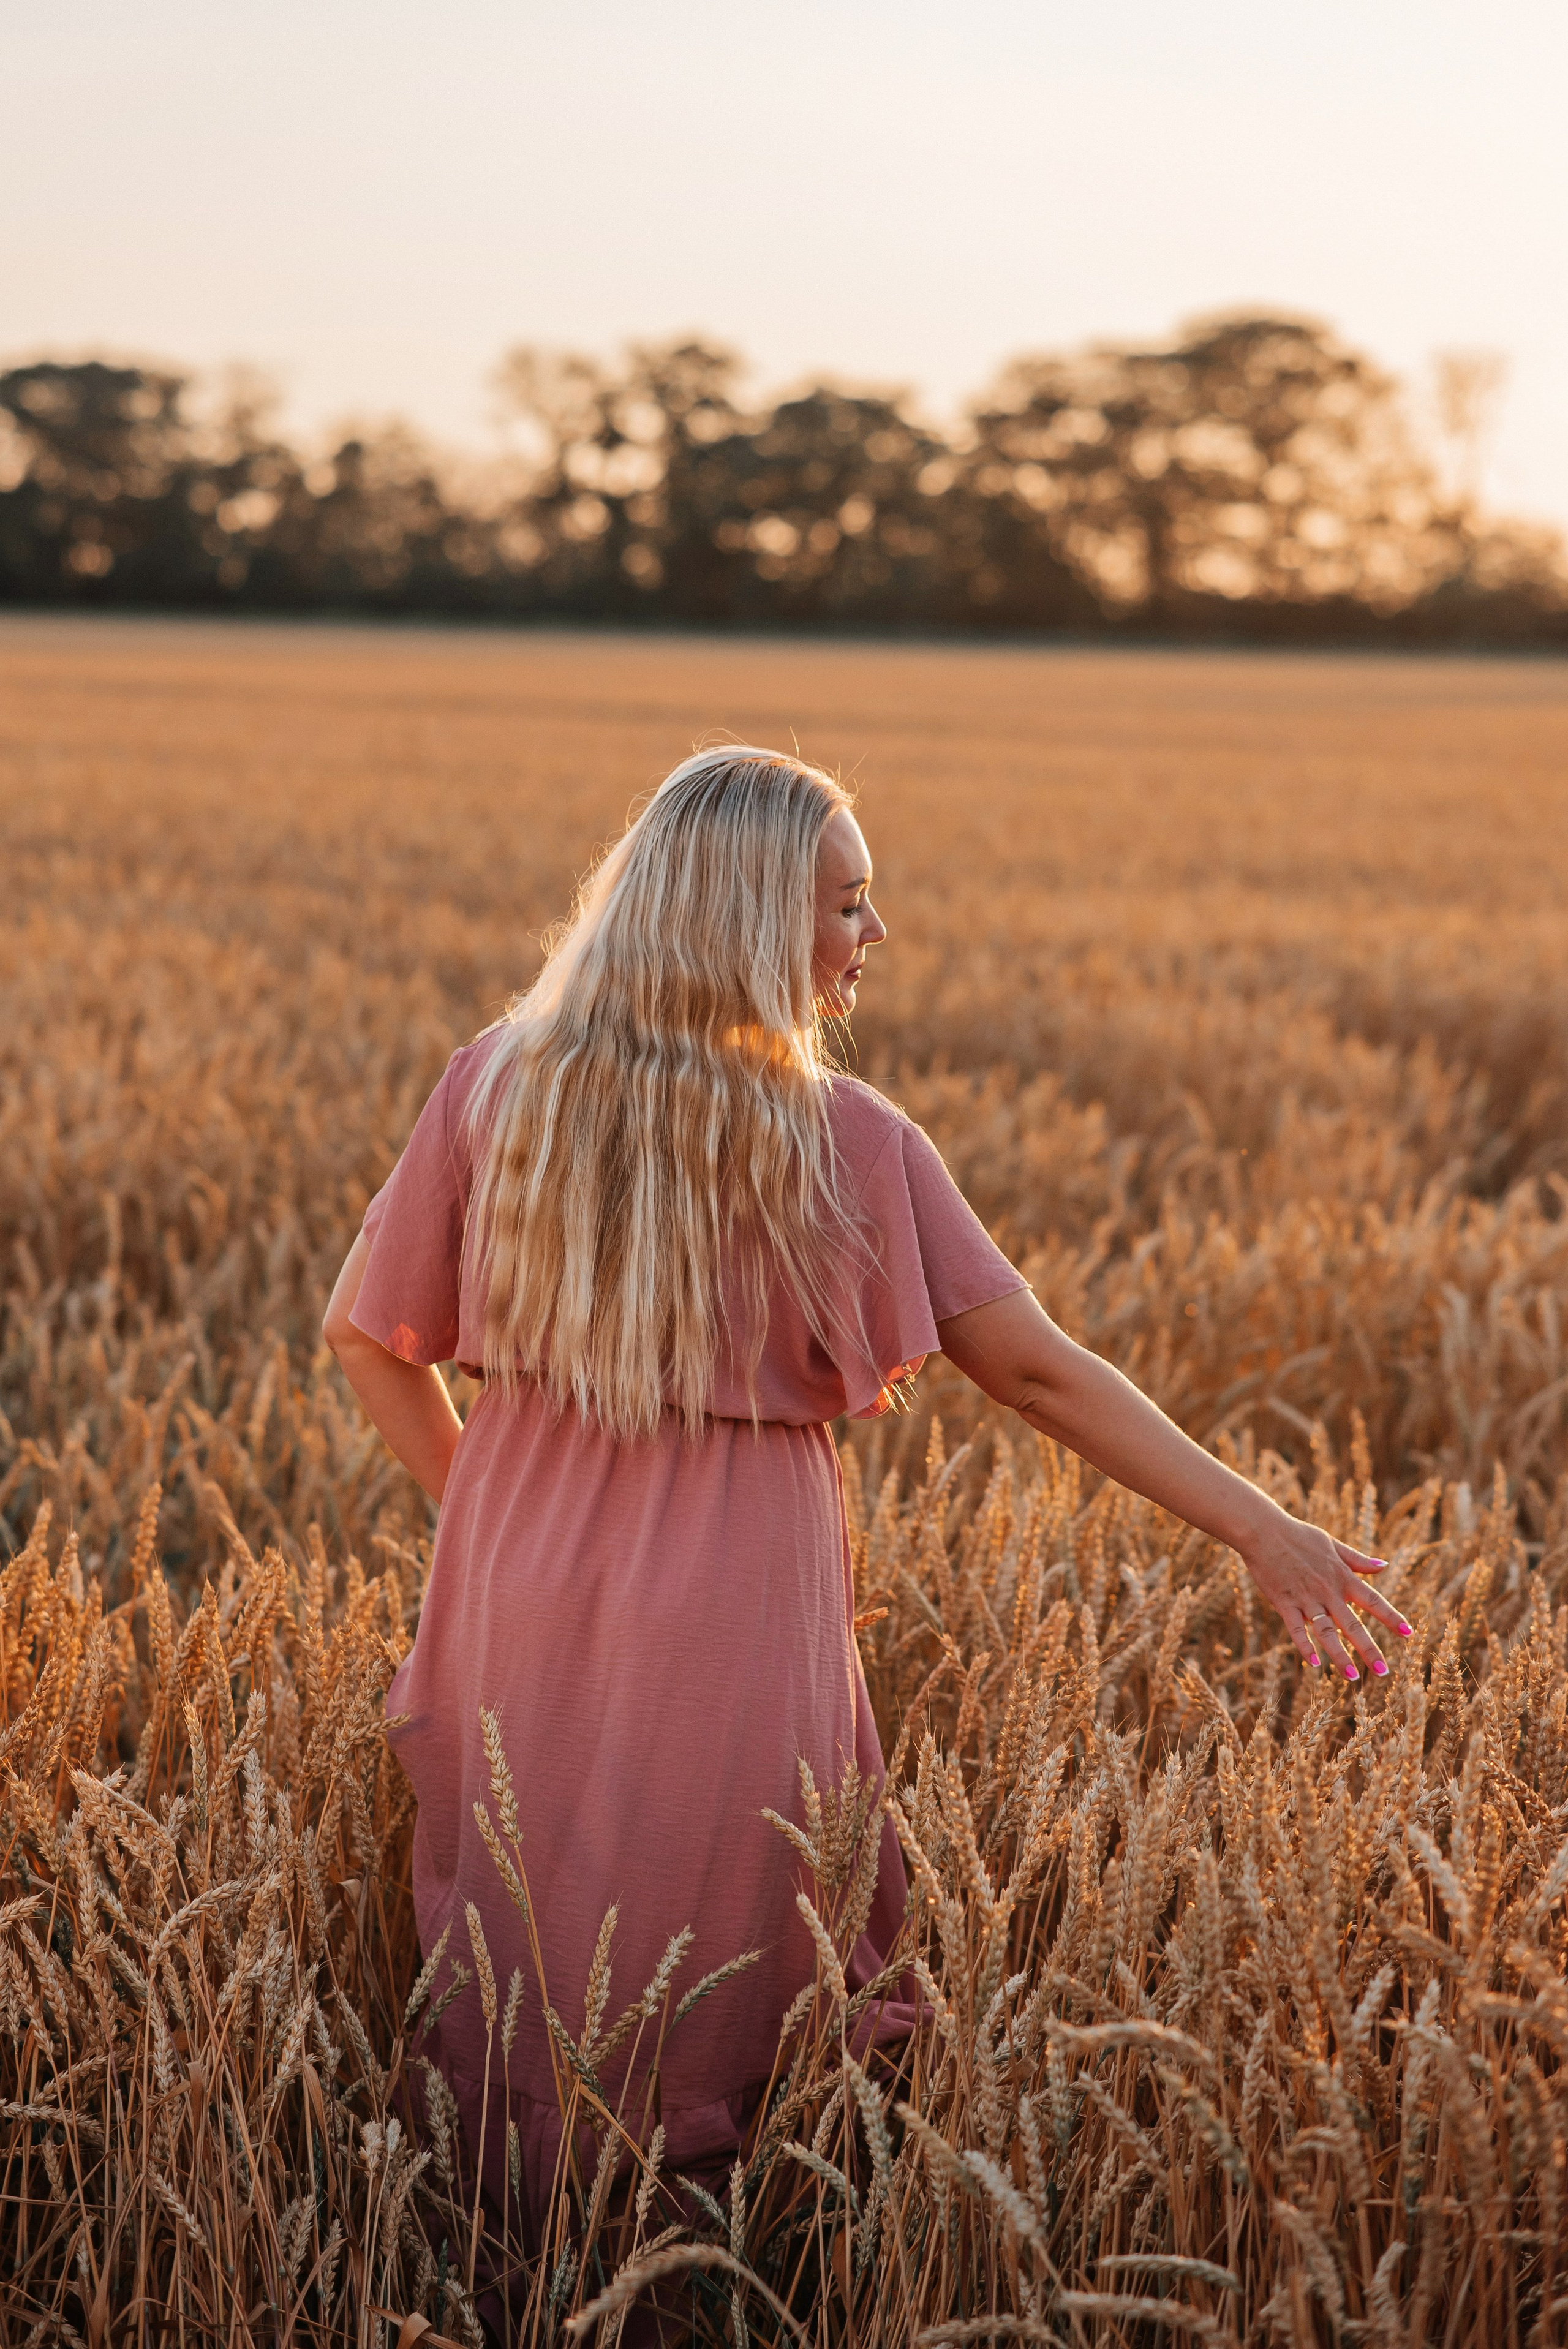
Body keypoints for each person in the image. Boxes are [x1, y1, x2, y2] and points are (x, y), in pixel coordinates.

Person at [322, 745, 1410, 2247]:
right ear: (754, 921)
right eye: (847, 903)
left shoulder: (494, 1085)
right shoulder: (844, 1139)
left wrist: (488, 1527)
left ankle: (510, 2263)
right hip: (730, 1594)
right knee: (716, 1934)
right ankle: (696, 2269)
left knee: (533, 1931)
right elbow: (1033, 1374)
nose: (870, 936)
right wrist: (1260, 1526)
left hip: (514, 1574)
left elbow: (362, 1339)